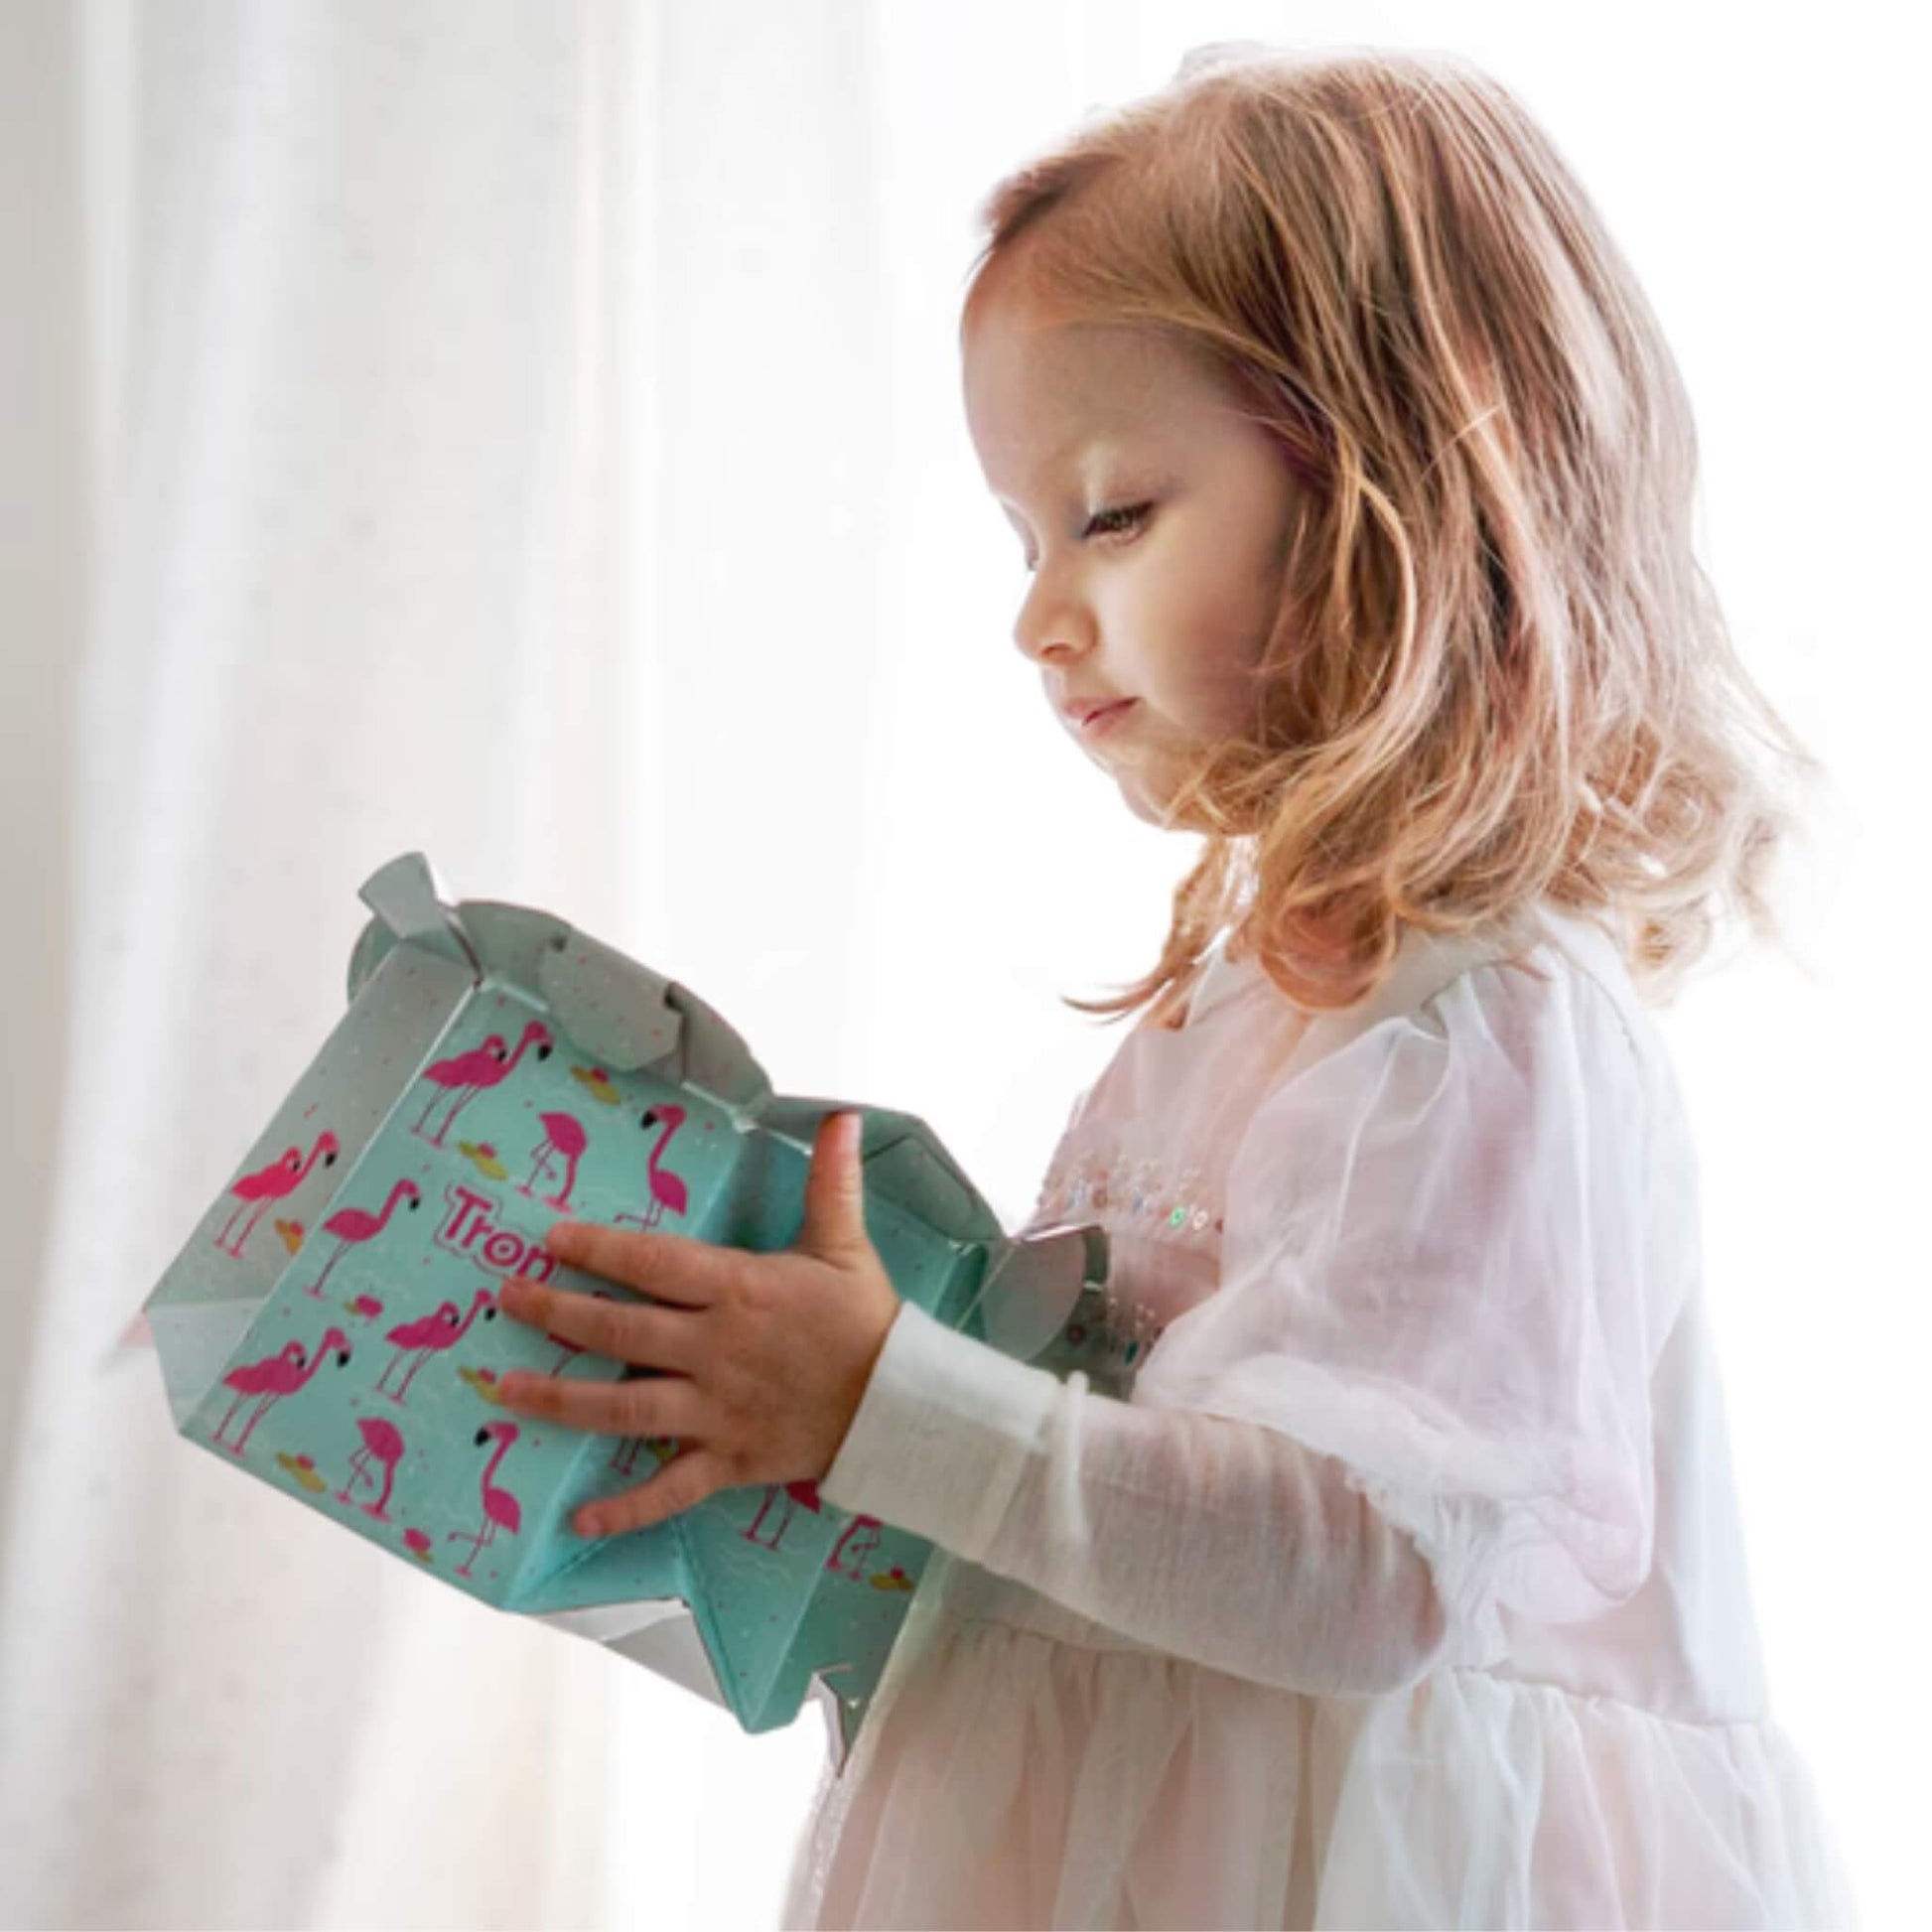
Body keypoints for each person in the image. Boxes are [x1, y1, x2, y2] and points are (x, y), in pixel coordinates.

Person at [775, 43, 1862, 1929]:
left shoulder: (1485, 1027)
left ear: (1398, 488)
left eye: (1110, 513)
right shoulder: (1243, 1006)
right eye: (1024, 539)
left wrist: (893, 1405)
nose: (1037, 616)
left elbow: (1370, 1565)